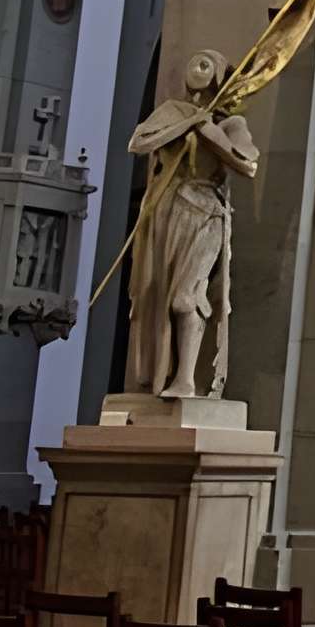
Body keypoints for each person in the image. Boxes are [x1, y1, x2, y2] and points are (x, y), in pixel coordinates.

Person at [128, 47, 263, 400]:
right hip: (165, 212)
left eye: (207, 64)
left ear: (219, 76)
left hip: (204, 213)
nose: (198, 69)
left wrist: (205, 129)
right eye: (195, 61)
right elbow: (139, 142)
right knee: (153, 295)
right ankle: (160, 375)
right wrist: (182, 123)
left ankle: (187, 380)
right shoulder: (172, 112)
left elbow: (247, 163)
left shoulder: (230, 124)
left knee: (185, 298)